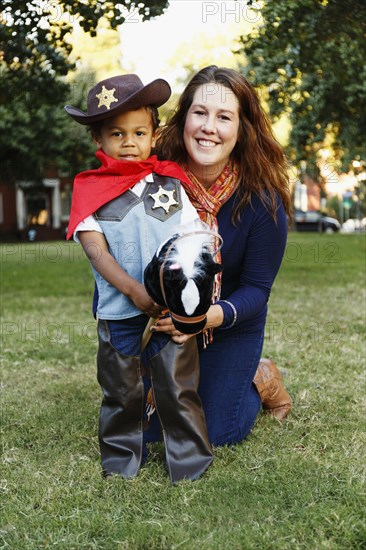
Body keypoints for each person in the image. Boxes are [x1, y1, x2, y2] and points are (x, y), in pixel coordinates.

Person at [64, 74, 213, 482]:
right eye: (117, 134)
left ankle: (189, 463)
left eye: (139, 132)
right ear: (99, 138)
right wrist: (131, 289)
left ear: (154, 134)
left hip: (169, 308)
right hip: (119, 309)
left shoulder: (171, 183)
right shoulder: (91, 189)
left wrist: (192, 288)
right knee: (122, 389)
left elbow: (193, 236)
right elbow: (95, 249)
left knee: (177, 385)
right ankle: (120, 461)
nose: (129, 142)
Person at [151, 65, 293, 447]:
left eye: (223, 117)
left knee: (213, 431)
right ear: (184, 119)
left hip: (228, 322)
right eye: (199, 113)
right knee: (149, 430)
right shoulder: (153, 184)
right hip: (164, 320)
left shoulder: (264, 201)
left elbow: (256, 290)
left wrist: (201, 319)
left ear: (241, 129)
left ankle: (260, 378)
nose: (208, 127)